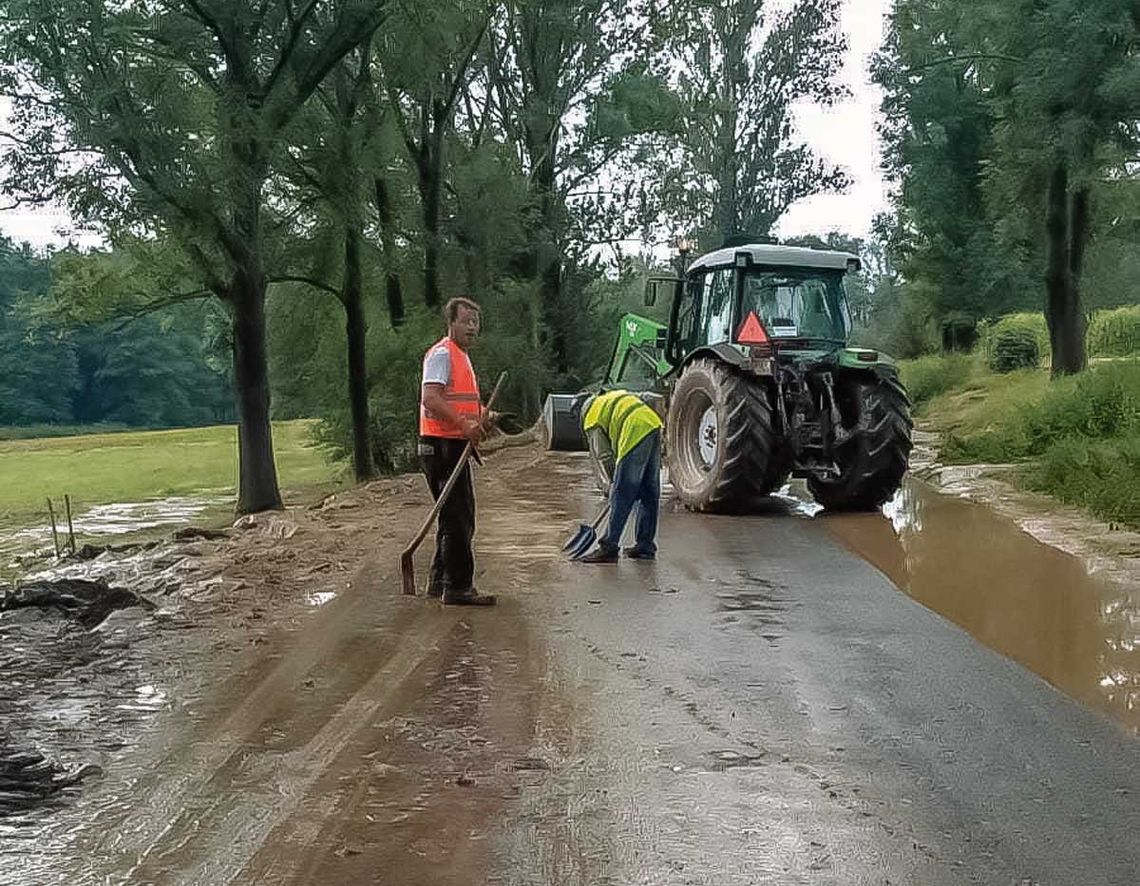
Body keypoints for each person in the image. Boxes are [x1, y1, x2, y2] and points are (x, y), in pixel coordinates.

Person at [419, 296, 497, 605]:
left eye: (476, 322)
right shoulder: (442, 354)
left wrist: (482, 417)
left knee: (454, 516)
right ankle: (458, 587)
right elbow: (431, 398)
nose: (472, 327)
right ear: (451, 323)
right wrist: (465, 425)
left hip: (450, 443)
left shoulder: (461, 356)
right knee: (459, 518)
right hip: (441, 446)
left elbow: (459, 400)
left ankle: (440, 581)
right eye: (466, 321)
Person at [577, 389, 664, 564]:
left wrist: (613, 482)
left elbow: (605, 455)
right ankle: (645, 546)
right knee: (649, 492)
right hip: (653, 424)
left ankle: (609, 547)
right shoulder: (608, 399)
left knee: (622, 493)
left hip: (635, 429)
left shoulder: (591, 418)